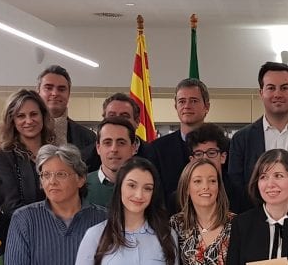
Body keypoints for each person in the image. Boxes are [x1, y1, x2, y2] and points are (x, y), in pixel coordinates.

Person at [227, 62, 288, 190]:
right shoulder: (241, 139)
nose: (277, 94)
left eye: (284, 88)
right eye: (271, 88)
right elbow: (235, 186)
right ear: (261, 93)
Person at [0, 89, 57, 214]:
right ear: (12, 120)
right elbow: (10, 205)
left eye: (34, 114)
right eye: (21, 116)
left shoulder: (55, 152)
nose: (29, 121)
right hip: (22, 223)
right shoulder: (3, 156)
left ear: (43, 116)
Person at [151, 78, 212, 208]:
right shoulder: (157, 149)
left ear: (206, 107)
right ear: (176, 106)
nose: (187, 106)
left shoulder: (222, 147)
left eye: (194, 101)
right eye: (182, 101)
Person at [36, 64, 97, 163]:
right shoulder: (23, 134)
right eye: (48, 88)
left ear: (68, 94)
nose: (55, 93)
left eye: (61, 89)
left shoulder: (88, 138)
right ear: (38, 92)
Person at [188, 123, 249, 213]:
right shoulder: (181, 195)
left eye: (211, 153)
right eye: (198, 154)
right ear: (192, 160)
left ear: (223, 157)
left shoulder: (241, 194)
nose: (205, 158)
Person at [86, 117, 138, 209]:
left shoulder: (146, 187)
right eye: (107, 143)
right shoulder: (81, 186)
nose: (114, 149)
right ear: (98, 148)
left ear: (133, 148)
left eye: (121, 143)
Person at [101, 92, 153, 160]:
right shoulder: (89, 156)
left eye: (124, 116)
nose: (118, 120)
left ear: (137, 122)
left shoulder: (156, 155)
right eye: (112, 116)